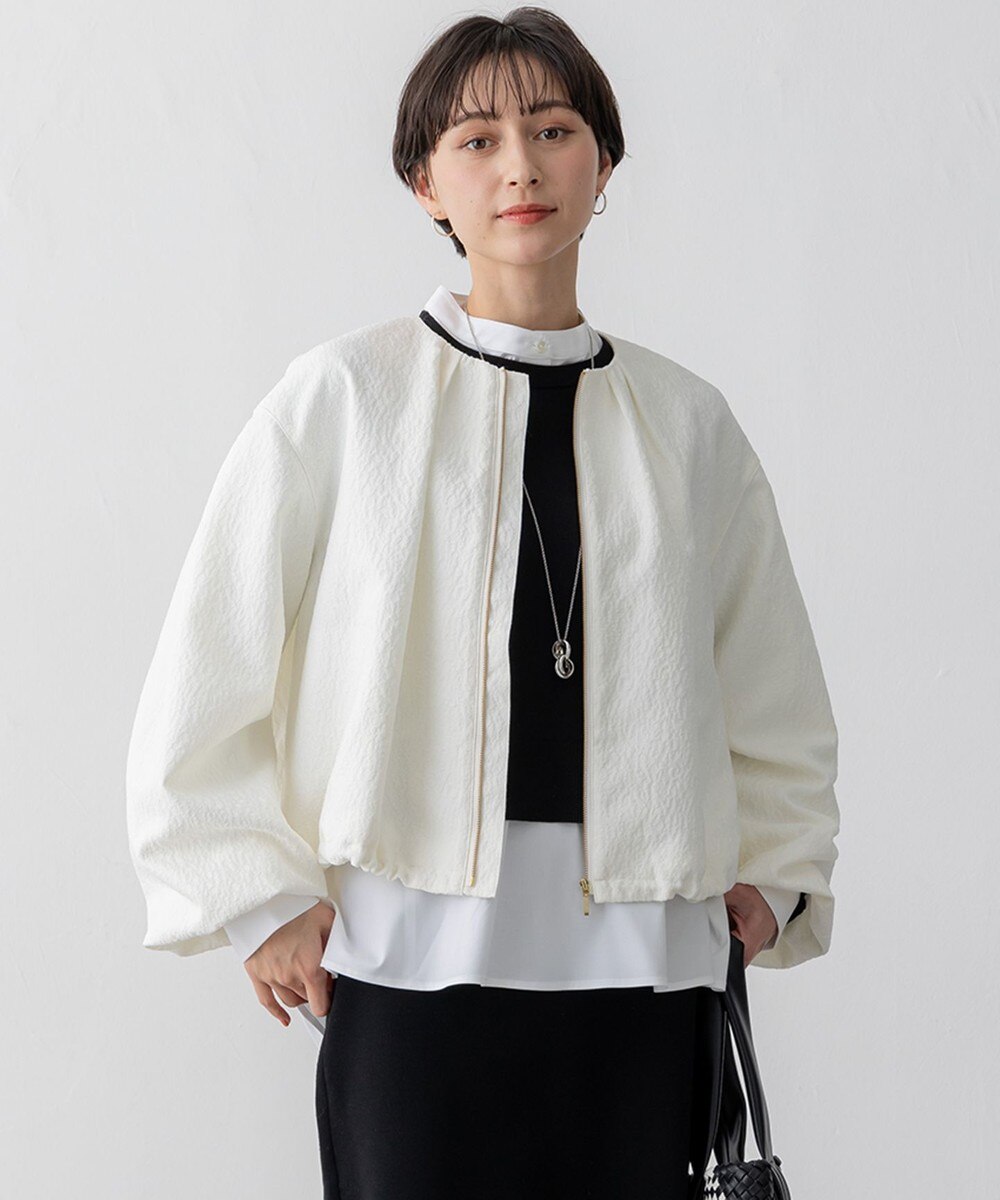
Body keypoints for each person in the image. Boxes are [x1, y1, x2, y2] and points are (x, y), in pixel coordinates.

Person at [126, 9, 839, 1199]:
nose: (520, 167)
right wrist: (253, 898)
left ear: (601, 165)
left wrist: (774, 878)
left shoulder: (687, 424)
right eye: (477, 140)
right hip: (409, 965)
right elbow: (209, 661)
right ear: (426, 185)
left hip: (645, 974)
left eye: (553, 131)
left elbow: (773, 682)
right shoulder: (345, 399)